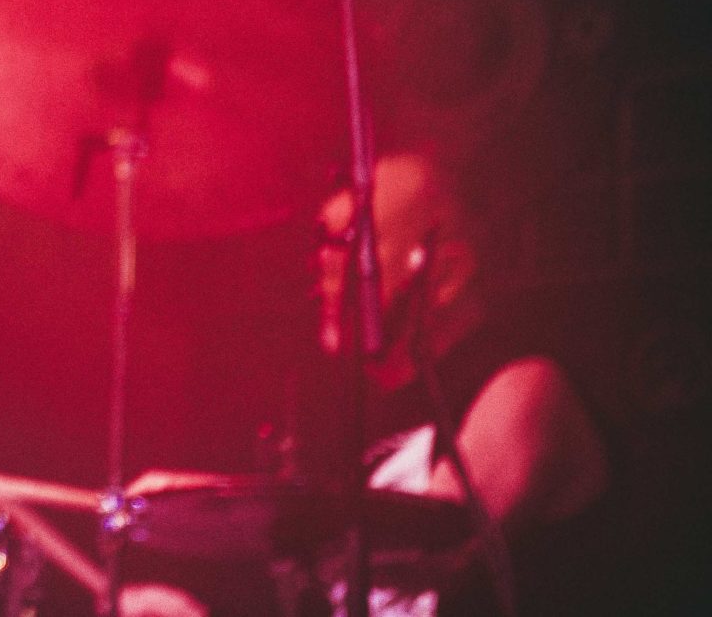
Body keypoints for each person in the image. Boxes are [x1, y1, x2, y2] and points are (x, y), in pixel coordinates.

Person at [121, 150, 614, 617]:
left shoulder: (527, 387)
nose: (322, 262)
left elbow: (440, 534)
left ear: (446, 274)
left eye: (351, 240)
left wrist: (220, 503)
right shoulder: (346, 420)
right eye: (322, 242)